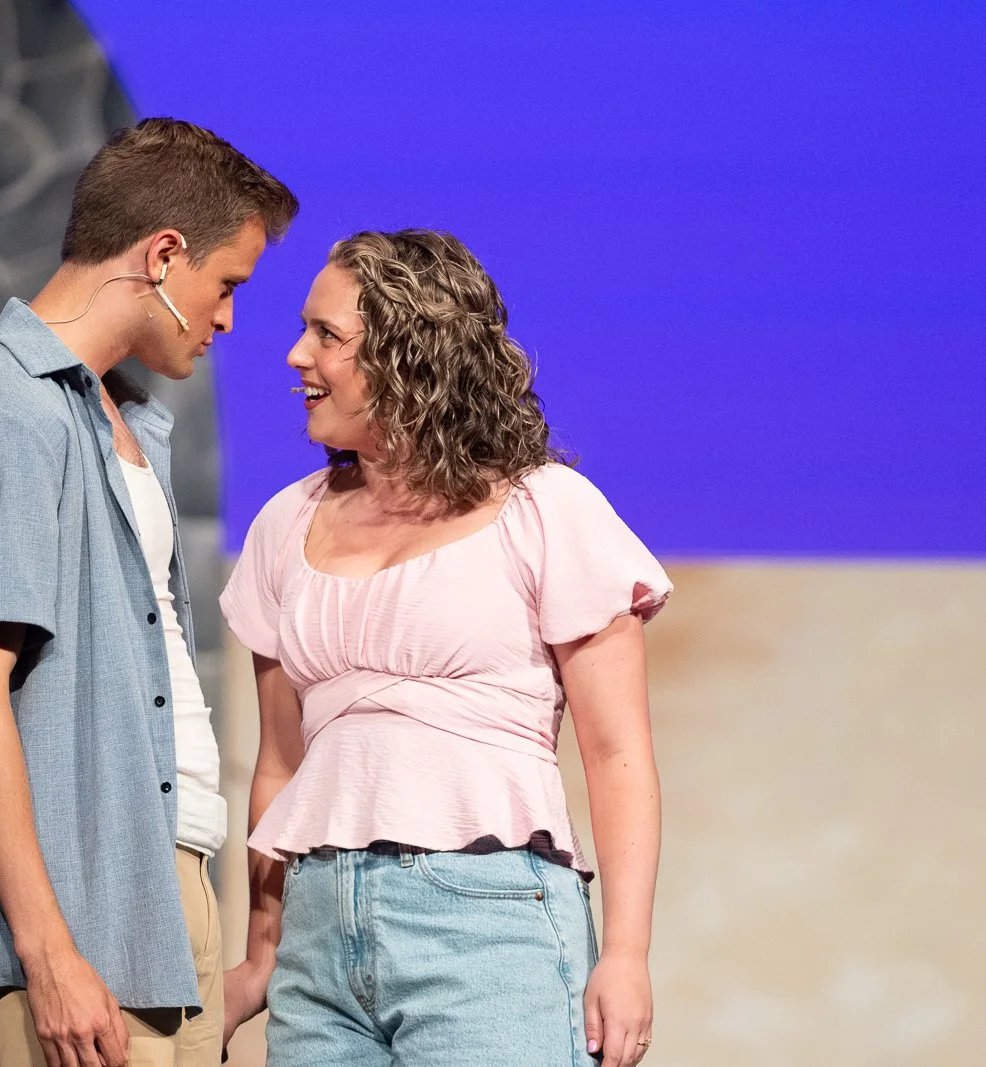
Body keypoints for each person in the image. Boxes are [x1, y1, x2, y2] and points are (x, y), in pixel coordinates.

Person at [0, 117, 298, 1067]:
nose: (228, 320)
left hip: (161, 891)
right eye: (226, 287)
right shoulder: (5, 412)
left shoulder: (116, 415)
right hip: (74, 916)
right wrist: (49, 950)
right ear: (164, 254)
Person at [218, 230, 669, 1067]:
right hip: (320, 933)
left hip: (486, 922)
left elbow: (617, 756)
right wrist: (263, 952)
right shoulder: (285, 525)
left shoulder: (547, 510)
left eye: (327, 335)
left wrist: (627, 953)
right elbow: (279, 768)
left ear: (407, 356)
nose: (295, 354)